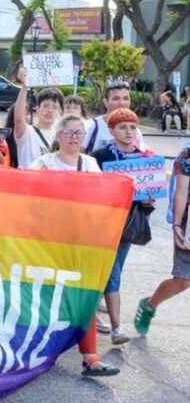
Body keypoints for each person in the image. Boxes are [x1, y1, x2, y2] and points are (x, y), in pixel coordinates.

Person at [27, 113, 117, 377]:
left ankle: (91, 357)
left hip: (83, 243)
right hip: (49, 243)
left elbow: (104, 199)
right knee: (46, 296)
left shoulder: (90, 164)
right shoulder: (44, 164)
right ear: (58, 136)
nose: (75, 137)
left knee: (84, 295)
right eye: (69, 132)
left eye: (79, 132)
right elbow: (27, 200)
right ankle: (35, 350)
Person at [90, 108, 154, 345]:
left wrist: (148, 202)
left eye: (132, 127)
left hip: (127, 226)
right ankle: (117, 327)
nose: (128, 132)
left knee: (113, 272)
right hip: (103, 224)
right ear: (111, 130)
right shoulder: (100, 156)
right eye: (123, 127)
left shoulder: (145, 158)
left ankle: (91, 315)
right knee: (112, 274)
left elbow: (149, 198)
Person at [135, 136, 190, 337]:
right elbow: (181, 192)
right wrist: (177, 224)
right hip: (188, 223)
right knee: (183, 279)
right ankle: (150, 305)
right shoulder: (187, 153)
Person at [12, 68, 64, 169]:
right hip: (28, 183)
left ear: (60, 111)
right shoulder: (27, 132)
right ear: (37, 108)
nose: (50, 110)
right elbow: (18, 119)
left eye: (54, 107)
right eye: (45, 106)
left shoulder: (62, 137)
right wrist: (24, 87)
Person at [83, 78, 145, 155]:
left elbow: (142, 156)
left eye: (126, 98)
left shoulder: (136, 132)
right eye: (116, 98)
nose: (121, 103)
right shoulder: (91, 126)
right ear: (106, 102)